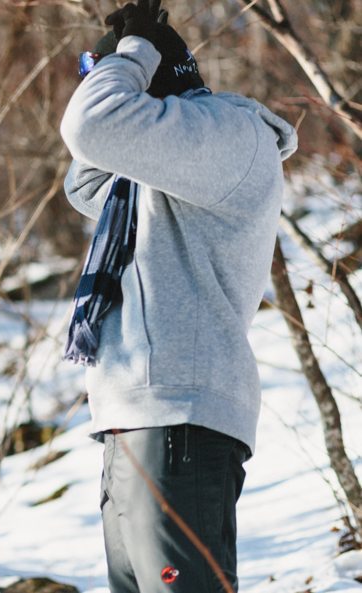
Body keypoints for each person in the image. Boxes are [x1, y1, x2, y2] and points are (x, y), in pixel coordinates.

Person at [59, 1, 297, 591]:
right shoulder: (160, 179)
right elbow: (86, 177)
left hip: (177, 415)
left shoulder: (231, 137)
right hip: (137, 419)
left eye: (116, 76)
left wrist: (132, 55)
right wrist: (117, 69)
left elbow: (94, 127)